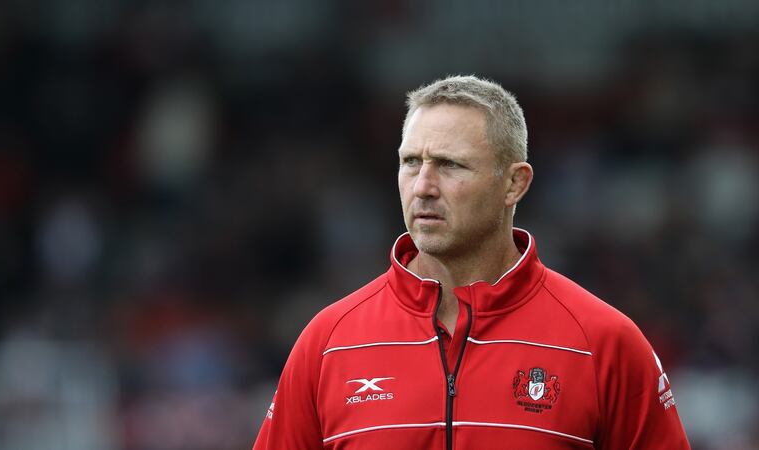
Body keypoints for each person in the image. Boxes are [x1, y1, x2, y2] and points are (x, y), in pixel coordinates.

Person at [253, 75, 690, 449]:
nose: (423, 186)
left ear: (514, 184)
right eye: (411, 163)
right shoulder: (329, 342)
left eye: (449, 165)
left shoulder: (604, 343)